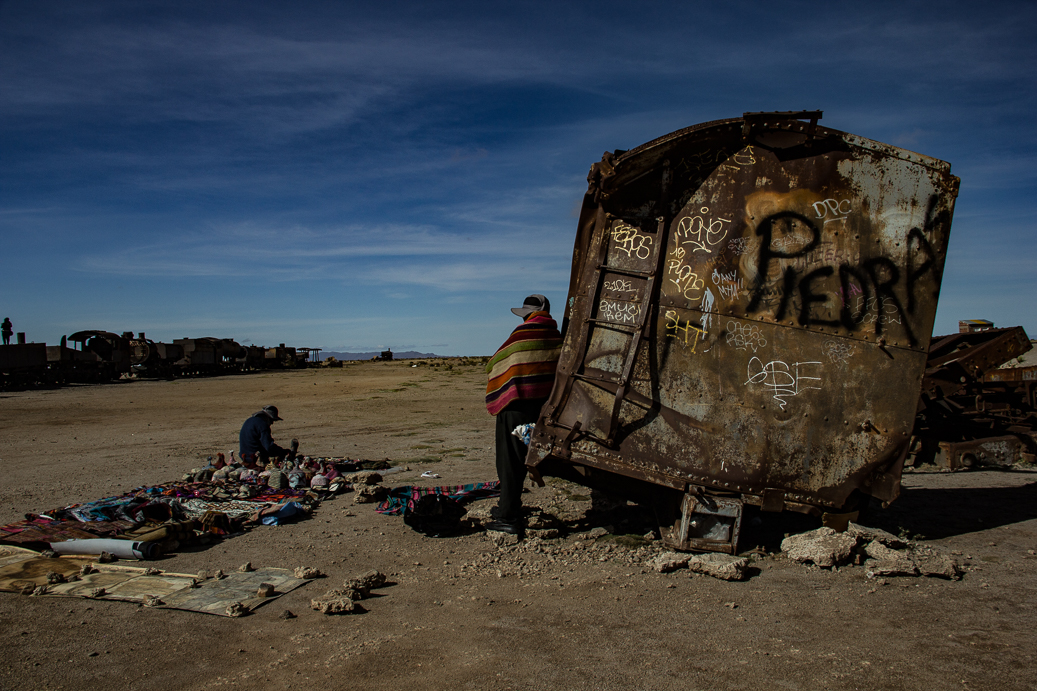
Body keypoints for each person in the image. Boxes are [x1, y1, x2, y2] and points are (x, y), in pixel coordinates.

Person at [484, 294, 563, 535]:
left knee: (509, 461)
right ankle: (508, 507)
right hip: (542, 407)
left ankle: (508, 516)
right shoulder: (557, 335)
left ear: (527, 314)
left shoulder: (521, 334)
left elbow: (496, 363)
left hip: (515, 405)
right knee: (522, 458)